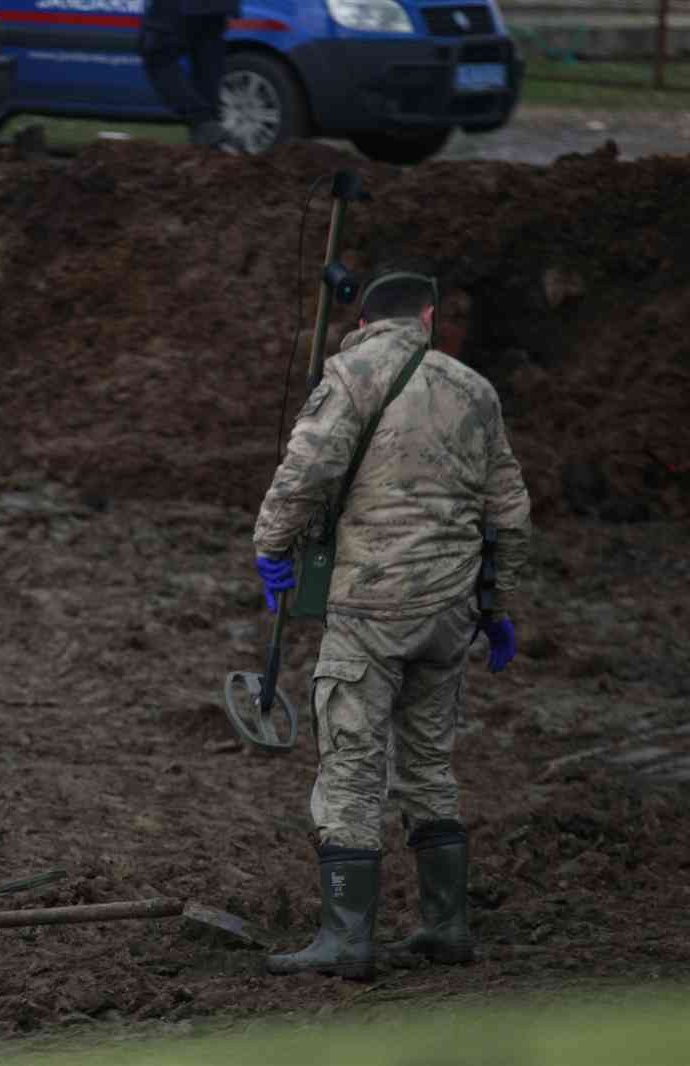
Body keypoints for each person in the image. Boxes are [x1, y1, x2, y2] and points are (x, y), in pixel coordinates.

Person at [251, 270, 531, 981]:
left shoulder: (350, 377)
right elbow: (509, 510)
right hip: (450, 611)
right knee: (430, 764)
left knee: (350, 763)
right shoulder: (475, 390)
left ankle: (346, 940)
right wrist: (496, 610)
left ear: (367, 318)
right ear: (427, 317)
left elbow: (304, 473)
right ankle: (445, 926)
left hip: (371, 607)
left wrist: (270, 548)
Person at [139, 0, 240, 150]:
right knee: (207, 61)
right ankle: (211, 136)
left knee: (158, 55)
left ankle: (202, 120)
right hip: (220, 6)